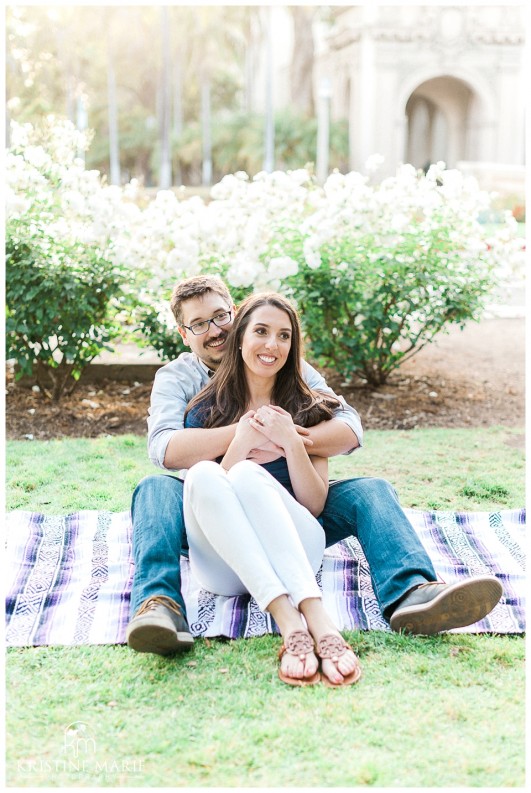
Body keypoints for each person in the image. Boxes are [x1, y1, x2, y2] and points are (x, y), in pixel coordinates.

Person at [126, 275, 502, 664]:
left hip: (295, 503)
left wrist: (291, 438)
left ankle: (412, 592)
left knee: (370, 490)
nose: (215, 330)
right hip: (215, 514)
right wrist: (243, 432)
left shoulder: (282, 363)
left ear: (235, 315)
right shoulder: (182, 383)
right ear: (184, 332)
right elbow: (166, 449)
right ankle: (160, 605)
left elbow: (348, 428)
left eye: (221, 316)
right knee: (155, 489)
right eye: (199, 323)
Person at [182, 291, 362, 686]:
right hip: (226, 566)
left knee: (247, 476)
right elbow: (209, 500)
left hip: (299, 549)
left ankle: (309, 622)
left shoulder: (309, 407)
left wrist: (293, 441)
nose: (272, 345)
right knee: (203, 475)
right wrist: (241, 443)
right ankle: (291, 619)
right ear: (240, 338)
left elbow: (314, 504)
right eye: (261, 331)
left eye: (284, 336)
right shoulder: (204, 411)